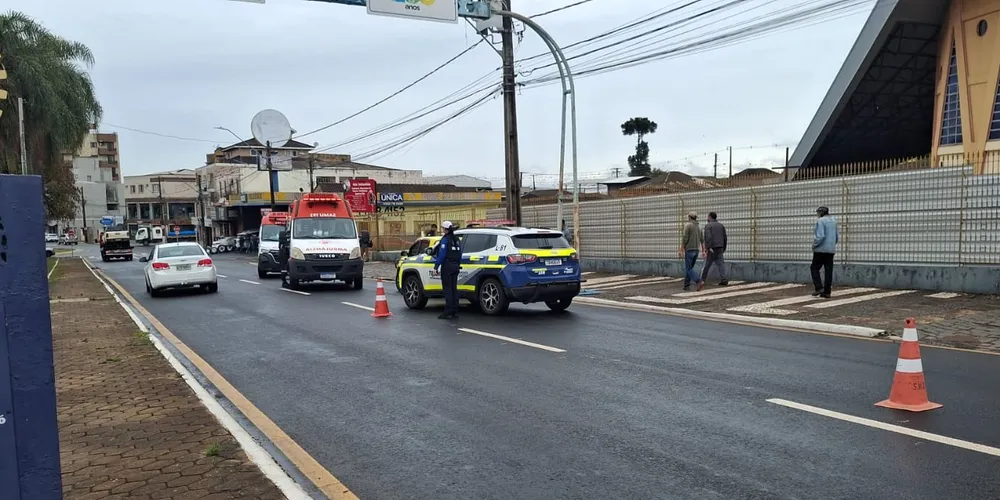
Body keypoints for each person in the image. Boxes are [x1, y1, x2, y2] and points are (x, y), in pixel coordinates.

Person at [433, 220, 463, 319]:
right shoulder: (456, 239)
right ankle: (454, 311)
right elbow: (460, 254)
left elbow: (442, 255)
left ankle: (448, 312)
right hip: (455, 266)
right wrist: (457, 265)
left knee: (448, 289)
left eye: (443, 228)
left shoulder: (445, 240)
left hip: (447, 266)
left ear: (445, 230)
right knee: (454, 289)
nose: (442, 230)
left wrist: (436, 266)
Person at [811, 206, 839, 298]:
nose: (818, 215)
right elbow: (837, 237)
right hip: (831, 250)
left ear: (821, 213)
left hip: (820, 249)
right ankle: (827, 292)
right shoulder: (834, 221)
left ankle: (818, 287)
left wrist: (814, 245)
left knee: (814, 268)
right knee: (828, 270)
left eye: (818, 213)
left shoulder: (821, 221)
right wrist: (832, 245)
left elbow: (820, 236)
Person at [701, 212, 729, 286]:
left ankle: (702, 279)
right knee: (721, 264)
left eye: (707, 217)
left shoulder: (708, 226)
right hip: (720, 247)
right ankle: (724, 279)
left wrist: (707, 247)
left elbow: (709, 237)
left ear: (710, 217)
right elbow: (725, 237)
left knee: (707, 264)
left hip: (712, 248)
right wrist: (724, 247)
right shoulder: (721, 226)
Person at [679, 212, 705, 291]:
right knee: (690, 268)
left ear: (689, 217)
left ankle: (699, 281)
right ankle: (686, 285)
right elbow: (702, 240)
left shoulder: (688, 225)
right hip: (696, 250)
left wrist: (681, 249)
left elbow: (685, 238)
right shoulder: (700, 227)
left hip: (689, 250)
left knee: (688, 269)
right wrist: (703, 251)